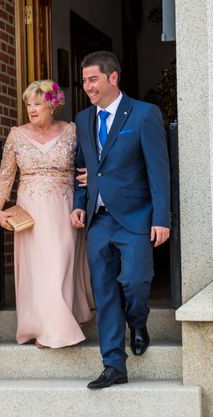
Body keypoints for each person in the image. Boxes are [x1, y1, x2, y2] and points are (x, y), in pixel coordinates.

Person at [70, 51, 171, 389]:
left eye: (93, 79)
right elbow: (82, 169)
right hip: (98, 221)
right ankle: (113, 365)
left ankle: (138, 321)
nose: (87, 87)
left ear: (113, 78)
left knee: (136, 280)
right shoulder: (83, 119)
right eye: (84, 81)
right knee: (105, 292)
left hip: (136, 217)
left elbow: (159, 171)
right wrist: (79, 202)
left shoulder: (144, 115)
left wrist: (161, 218)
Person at [0, 79, 94, 348]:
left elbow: (89, 162)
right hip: (31, 208)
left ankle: (58, 325)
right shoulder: (17, 135)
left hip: (64, 208)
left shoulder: (72, 131)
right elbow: (6, 174)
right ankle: (44, 326)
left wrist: (91, 178)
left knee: (60, 262)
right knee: (38, 268)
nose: (32, 109)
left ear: (53, 105)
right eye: (28, 104)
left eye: (38, 103)